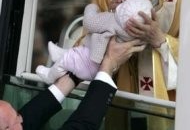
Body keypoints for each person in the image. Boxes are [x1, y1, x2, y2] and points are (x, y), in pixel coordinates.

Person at [83, 0, 181, 130]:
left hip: (171, 103)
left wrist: (161, 41)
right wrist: (110, 23)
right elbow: (85, 48)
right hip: (122, 94)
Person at [0, 37, 144, 130]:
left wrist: (73, 77)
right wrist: (108, 64)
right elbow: (81, 127)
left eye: (18, 115)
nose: (22, 121)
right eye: (17, 119)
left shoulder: (14, 125)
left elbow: (29, 118)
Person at [36, 0, 152, 84]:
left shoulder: (111, 21)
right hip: (98, 66)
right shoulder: (138, 35)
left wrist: (91, 7)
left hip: (90, 64)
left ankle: (49, 75)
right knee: (73, 54)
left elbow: (89, 23)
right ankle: (61, 53)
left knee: (65, 62)